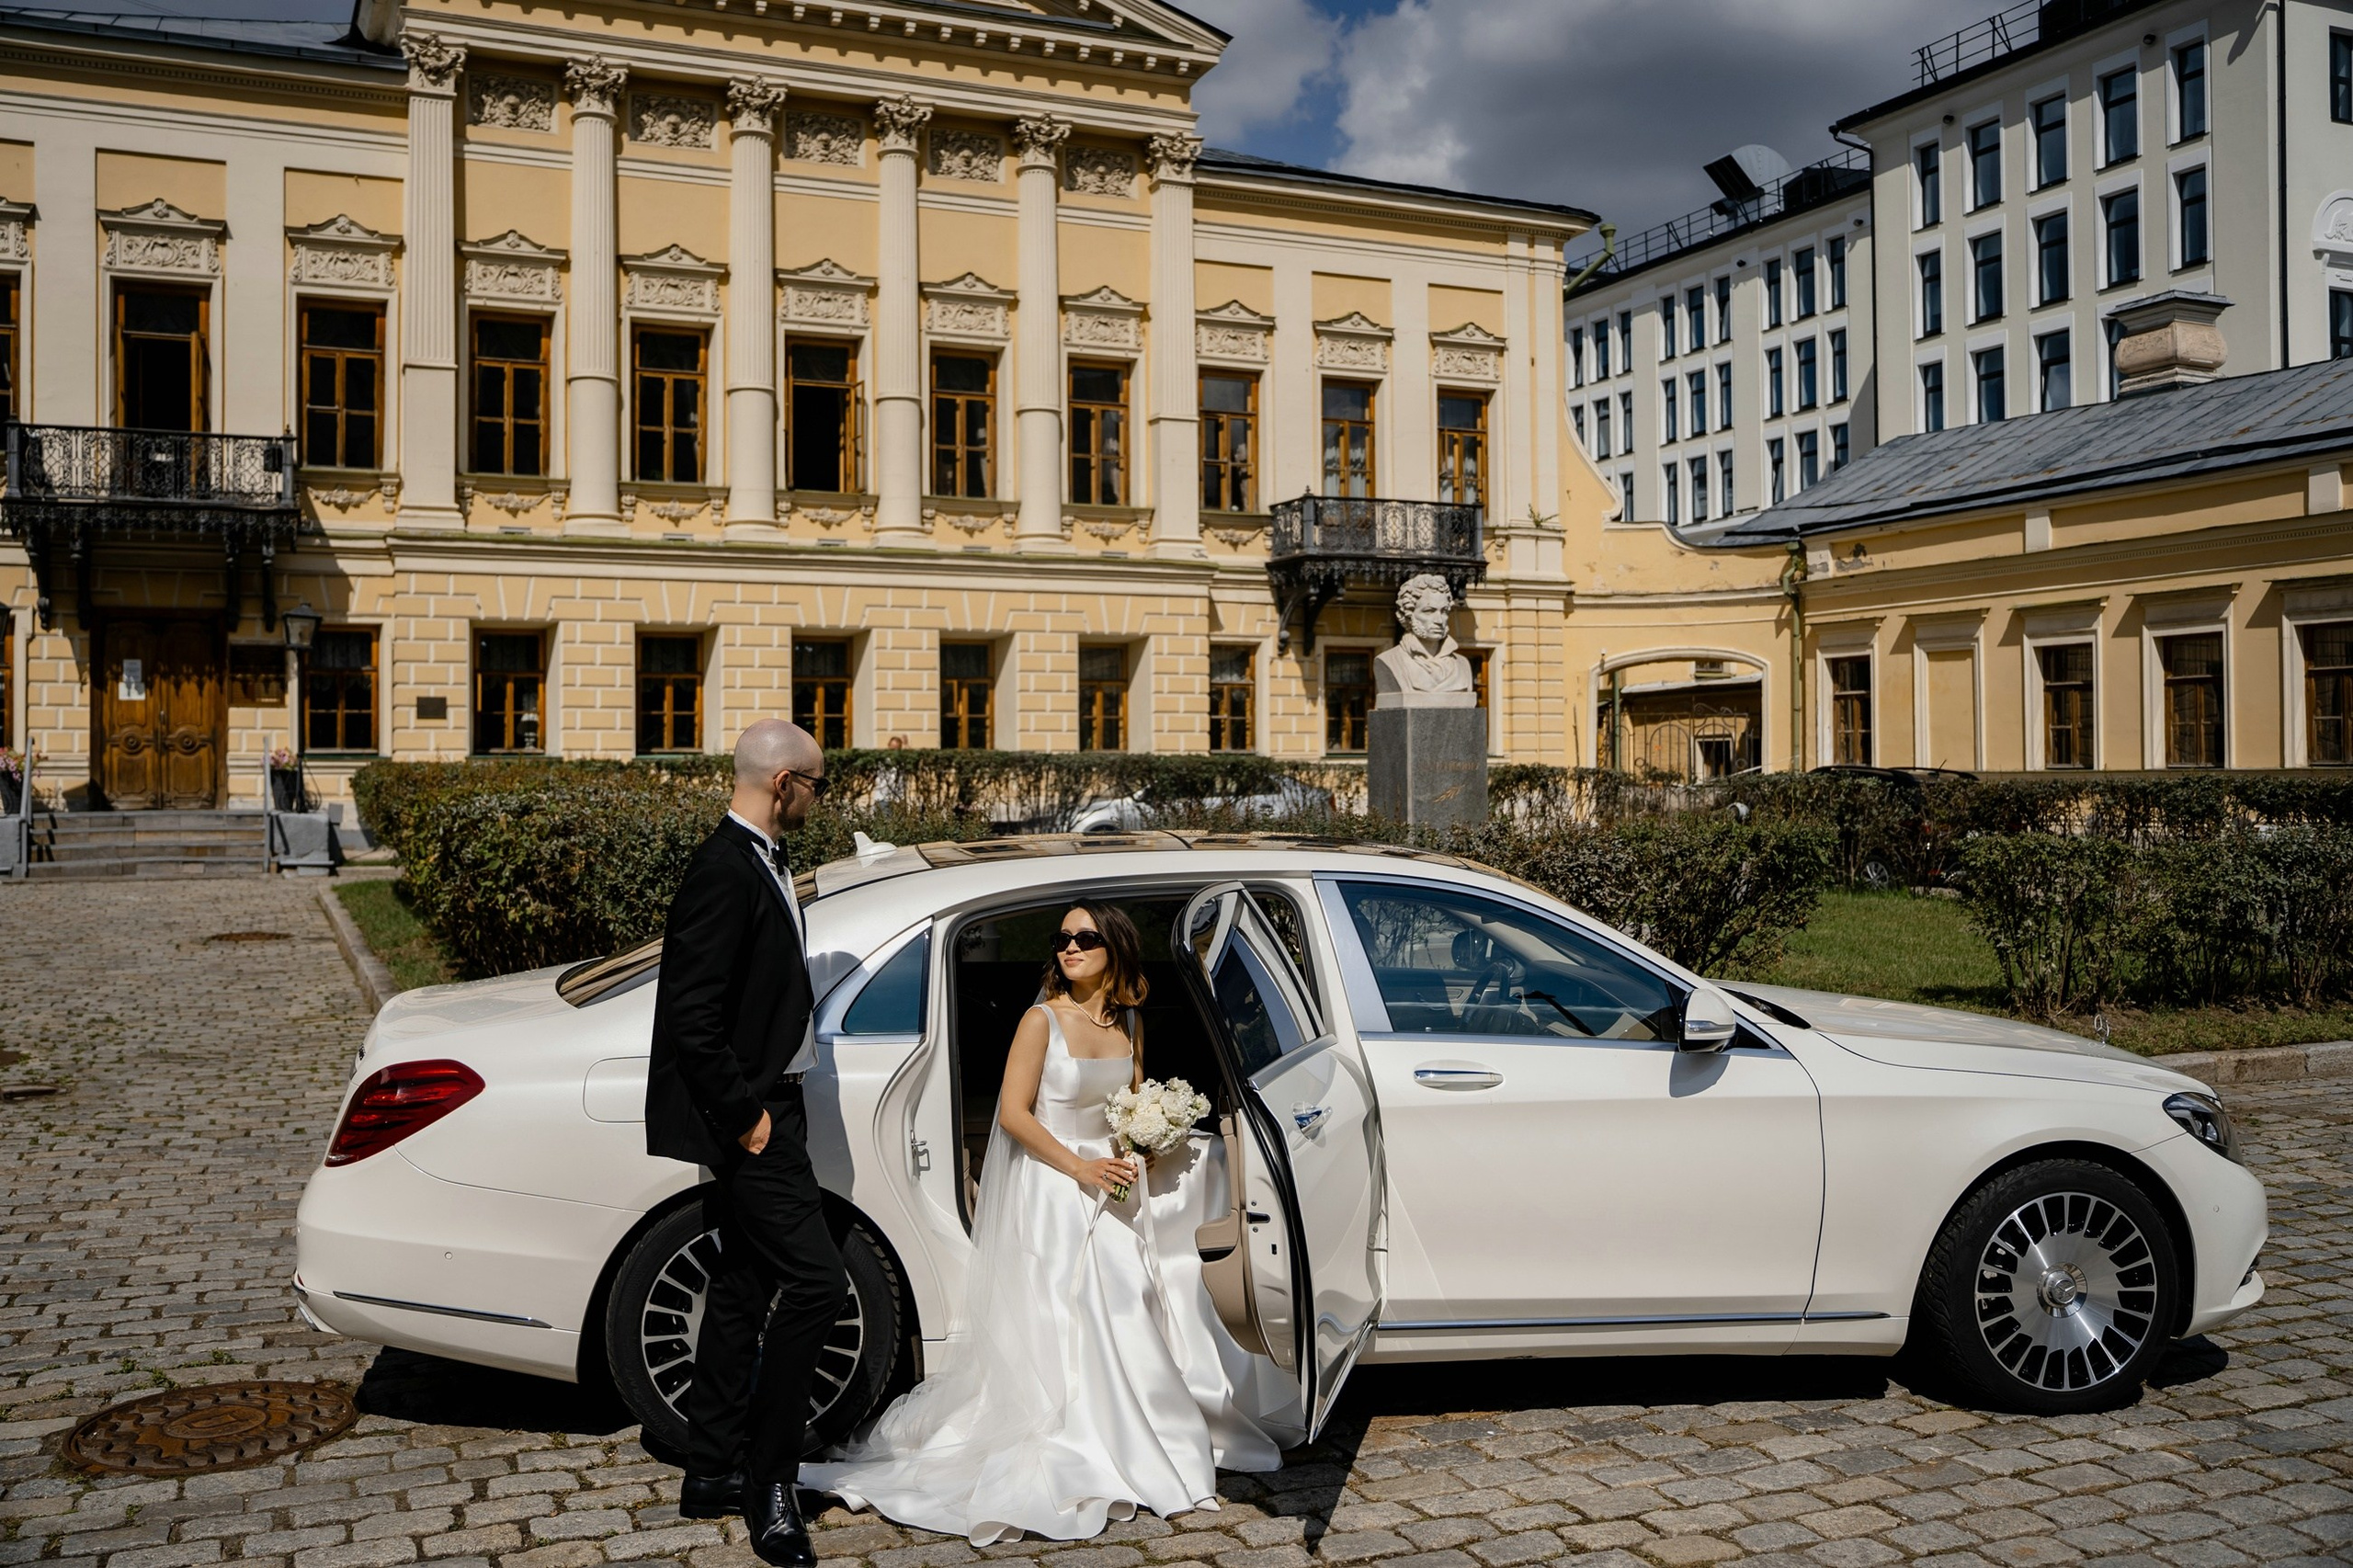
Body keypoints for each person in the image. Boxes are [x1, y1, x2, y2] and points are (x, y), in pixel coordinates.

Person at [800, 902, 1282, 1543]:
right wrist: (1079, 1171)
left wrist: (1145, 1138)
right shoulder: (1040, 1021)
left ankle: (1141, 1441)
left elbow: (1129, 1103)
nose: (1070, 948)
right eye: (1062, 939)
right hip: (1053, 1181)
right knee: (1101, 1295)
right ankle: (1102, 1446)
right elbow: (1013, 1116)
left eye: (1085, 938)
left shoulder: (1131, 1022)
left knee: (1134, 1296)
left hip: (1110, 1182)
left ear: (1115, 948)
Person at [643, 720, 844, 1568]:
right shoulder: (723, 869)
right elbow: (689, 1013)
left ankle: (710, 1465)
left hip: (774, 1103)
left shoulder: (764, 859)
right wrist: (747, 1118)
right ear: (782, 783)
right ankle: (770, 1481)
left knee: (742, 1282)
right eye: (817, 785)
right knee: (816, 1282)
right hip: (754, 1115)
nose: (819, 799)